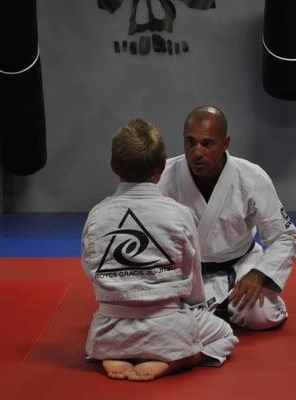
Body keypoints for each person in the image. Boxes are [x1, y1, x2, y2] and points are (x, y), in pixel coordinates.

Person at [81, 118, 238, 381]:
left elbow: (91, 268)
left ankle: (113, 352)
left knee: (109, 322)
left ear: (113, 166)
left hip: (108, 329)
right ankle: (180, 360)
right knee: (225, 335)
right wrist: (195, 306)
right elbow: (192, 279)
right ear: (161, 167)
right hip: (167, 329)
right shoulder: (178, 214)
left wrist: (125, 286)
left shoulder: (97, 215)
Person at [158, 106, 296, 330]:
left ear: (225, 143)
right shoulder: (163, 176)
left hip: (240, 264)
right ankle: (214, 308)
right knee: (161, 318)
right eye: (190, 141)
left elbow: (284, 235)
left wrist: (259, 274)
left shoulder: (252, 178)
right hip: (185, 270)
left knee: (257, 315)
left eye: (207, 143)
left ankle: (228, 304)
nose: (197, 152)